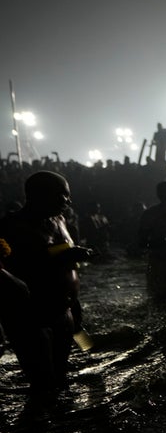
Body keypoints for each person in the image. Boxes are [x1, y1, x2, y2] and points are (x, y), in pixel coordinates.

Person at [0, 171, 95, 399]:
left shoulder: (61, 221)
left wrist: (75, 304)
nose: (69, 201)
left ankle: (65, 430)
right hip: (30, 316)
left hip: (64, 311)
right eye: (63, 195)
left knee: (62, 380)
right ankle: (33, 432)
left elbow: (62, 263)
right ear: (39, 196)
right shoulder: (11, 227)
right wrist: (60, 256)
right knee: (43, 385)